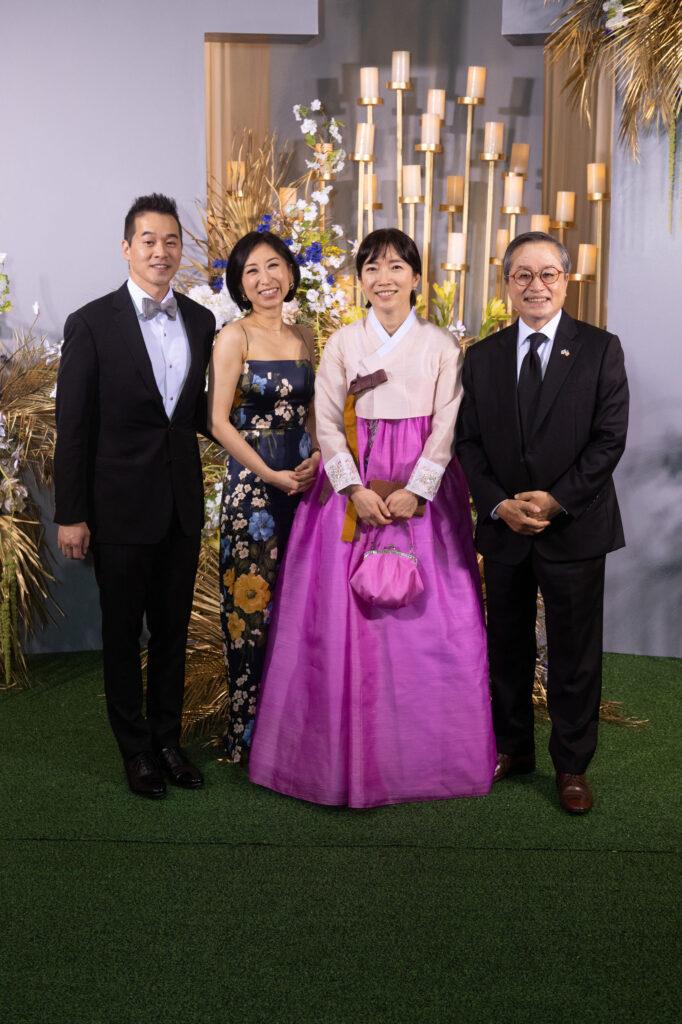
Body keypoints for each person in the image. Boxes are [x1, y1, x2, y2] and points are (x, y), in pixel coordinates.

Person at [249, 228, 496, 808]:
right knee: (336, 621)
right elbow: (325, 422)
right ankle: (330, 760)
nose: (384, 279)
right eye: (372, 268)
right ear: (360, 280)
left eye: (396, 267)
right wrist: (353, 488)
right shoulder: (343, 343)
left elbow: (448, 425)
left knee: (436, 625)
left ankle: (431, 759)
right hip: (351, 488)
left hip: (422, 489)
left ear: (416, 278)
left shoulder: (440, 345)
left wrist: (419, 489)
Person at [455, 230, 629, 815]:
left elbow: (609, 441)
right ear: (507, 283)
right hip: (505, 528)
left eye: (547, 274)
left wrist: (556, 501)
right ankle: (513, 748)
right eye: (522, 275)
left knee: (574, 654)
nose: (536, 285)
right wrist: (499, 504)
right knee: (506, 645)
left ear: (565, 280)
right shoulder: (481, 357)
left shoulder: (600, 349)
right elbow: (467, 443)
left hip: (574, 527)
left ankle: (572, 766)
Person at [55, 193, 216, 799]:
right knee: (123, 635)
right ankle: (136, 750)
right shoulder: (91, 323)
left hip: (180, 507)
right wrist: (71, 514)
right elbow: (73, 427)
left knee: (173, 632)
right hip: (117, 509)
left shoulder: (201, 321)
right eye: (148, 240)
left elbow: (199, 413)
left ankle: (168, 741)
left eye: (171, 241)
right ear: (127, 248)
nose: (160, 251)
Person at [207, 231, 318, 762]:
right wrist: (269, 474)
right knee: (249, 616)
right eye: (251, 271)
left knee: (300, 608)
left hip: (306, 488)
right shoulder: (234, 337)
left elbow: (314, 414)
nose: (265, 278)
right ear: (240, 284)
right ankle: (247, 737)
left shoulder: (307, 336)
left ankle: (293, 732)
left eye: (273, 266)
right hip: (253, 494)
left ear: (290, 274)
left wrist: (319, 455)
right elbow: (217, 422)